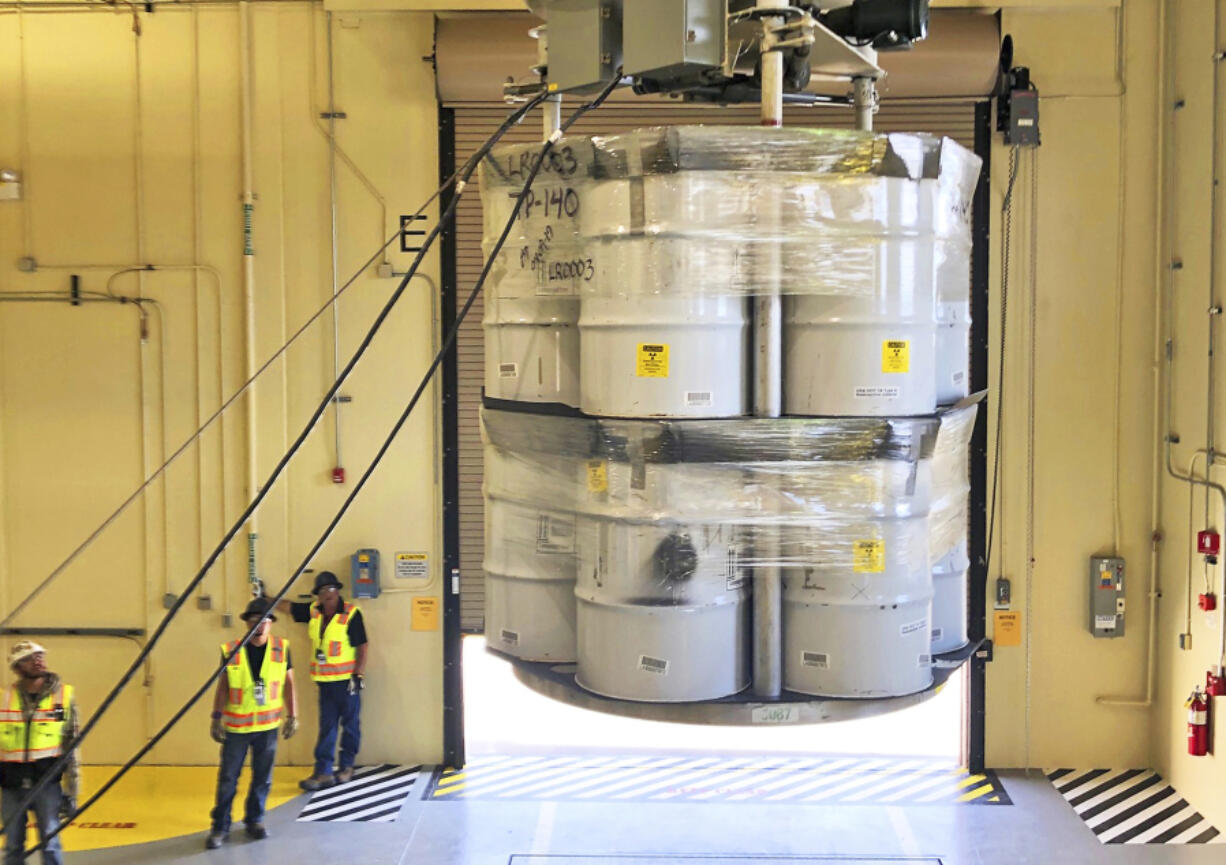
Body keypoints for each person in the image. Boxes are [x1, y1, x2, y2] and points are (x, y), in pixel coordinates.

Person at [206, 597, 298, 850]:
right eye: (254, 620)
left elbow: (289, 683)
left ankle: (254, 820)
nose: (259, 625)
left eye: (265, 620)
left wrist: (293, 715)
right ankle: (220, 827)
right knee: (228, 778)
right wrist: (216, 718)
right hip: (237, 729)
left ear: (271, 623)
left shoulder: (282, 648)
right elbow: (223, 686)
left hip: (267, 728)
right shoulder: (231, 649)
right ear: (246, 623)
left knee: (262, 778)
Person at [276, 571, 368, 790]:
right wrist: (266, 599)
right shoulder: (314, 612)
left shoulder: (351, 614)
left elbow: (362, 646)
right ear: (317, 595)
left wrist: (358, 675)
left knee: (350, 725)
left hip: (346, 683)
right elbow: (290, 608)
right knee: (327, 728)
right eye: (323, 591)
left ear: (338, 591)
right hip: (324, 683)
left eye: (331, 590)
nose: (327, 594)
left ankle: (346, 767)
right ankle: (323, 772)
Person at [0, 641, 79, 865]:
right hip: (11, 786)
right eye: (29, 658)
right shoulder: (4, 699)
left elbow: (72, 746)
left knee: (50, 844)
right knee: (13, 845)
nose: (37, 660)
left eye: (40, 655)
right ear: (17, 667)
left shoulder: (63, 697)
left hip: (46, 785)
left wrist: (72, 790)